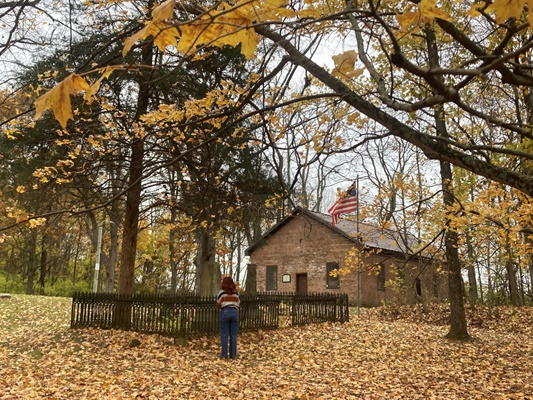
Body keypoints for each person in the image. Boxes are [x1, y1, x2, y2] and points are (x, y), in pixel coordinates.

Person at [217, 276, 240, 359]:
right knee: (233, 335)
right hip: (234, 312)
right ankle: (233, 355)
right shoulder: (236, 293)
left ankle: (224, 355)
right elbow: (238, 303)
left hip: (225, 312)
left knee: (224, 334)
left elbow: (218, 303)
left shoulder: (221, 293)